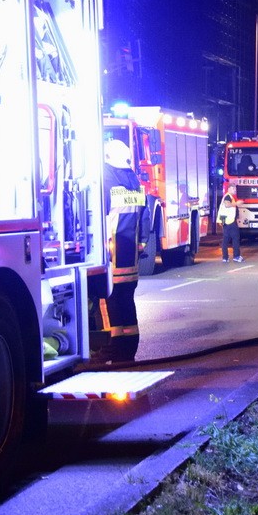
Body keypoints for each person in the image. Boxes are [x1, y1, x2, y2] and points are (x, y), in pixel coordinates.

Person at [99, 139, 148, 362]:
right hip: (131, 258)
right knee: (127, 300)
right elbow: (145, 218)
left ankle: (113, 348)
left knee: (109, 302)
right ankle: (129, 349)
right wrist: (142, 243)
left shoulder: (107, 181)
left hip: (111, 256)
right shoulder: (135, 183)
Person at [219, 184, 243, 263]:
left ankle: (225, 257)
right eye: (233, 189)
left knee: (226, 239)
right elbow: (227, 205)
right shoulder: (228, 196)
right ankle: (236, 256)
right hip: (230, 221)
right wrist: (236, 203)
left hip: (226, 221)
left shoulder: (229, 196)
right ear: (229, 189)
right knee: (235, 238)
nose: (235, 190)